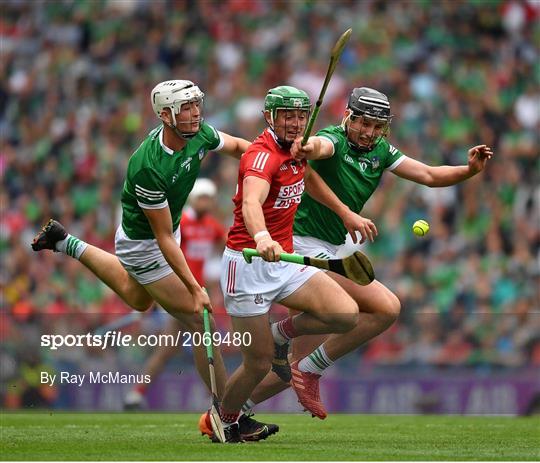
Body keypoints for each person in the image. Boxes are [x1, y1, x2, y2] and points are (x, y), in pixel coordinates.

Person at [31, 79, 275, 439]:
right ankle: (226, 417)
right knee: (198, 316)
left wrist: (272, 160)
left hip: (163, 235)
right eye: (185, 108)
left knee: (138, 297)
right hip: (144, 244)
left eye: (196, 105)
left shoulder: (199, 133)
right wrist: (195, 287)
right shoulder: (149, 166)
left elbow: (240, 146)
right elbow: (161, 238)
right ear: (165, 115)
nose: (194, 114)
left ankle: (65, 242)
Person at [241, 86, 494, 419]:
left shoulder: (382, 151)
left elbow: (429, 175)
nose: (369, 132)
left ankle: (234, 410)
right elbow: (319, 146)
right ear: (348, 117)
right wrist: (308, 148)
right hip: (302, 244)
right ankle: (284, 348)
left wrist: (468, 171)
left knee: (296, 367)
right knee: (383, 308)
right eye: (363, 123)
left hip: (336, 246)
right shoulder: (334, 138)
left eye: (377, 127)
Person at [214, 85, 365, 442]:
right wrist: (262, 236)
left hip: (282, 262)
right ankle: (225, 419)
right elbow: (252, 201)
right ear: (270, 117)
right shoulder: (261, 156)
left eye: (301, 115)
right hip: (247, 265)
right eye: (288, 116)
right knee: (258, 364)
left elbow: (307, 178)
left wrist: (343, 212)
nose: (296, 123)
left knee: (345, 314)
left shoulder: (297, 151)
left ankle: (282, 334)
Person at [123, 178, 225, 410]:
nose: (206, 202)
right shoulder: (182, 223)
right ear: (193, 199)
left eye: (210, 198)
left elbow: (226, 246)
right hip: (180, 291)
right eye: (203, 198)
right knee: (204, 343)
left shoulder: (212, 225)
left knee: (173, 347)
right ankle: (220, 400)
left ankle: (136, 393)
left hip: (199, 294)